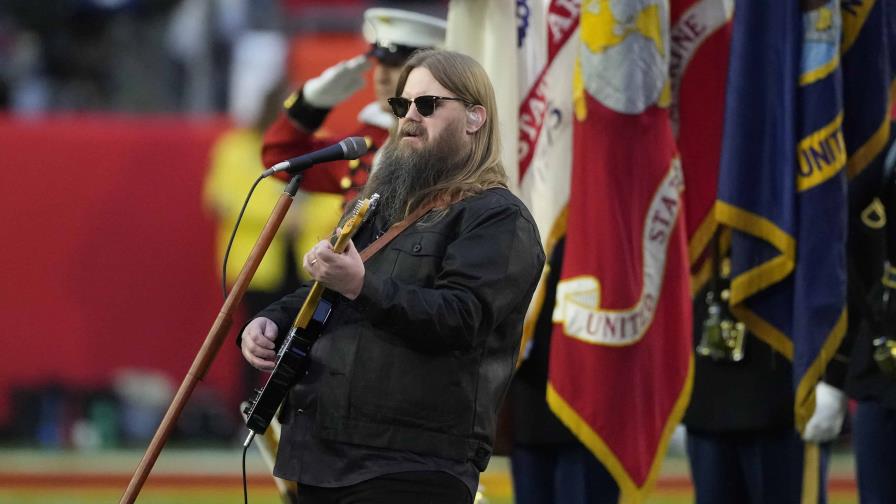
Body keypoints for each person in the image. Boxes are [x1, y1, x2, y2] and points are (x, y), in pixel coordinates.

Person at [239, 49, 545, 504]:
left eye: (428, 105)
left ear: (475, 118)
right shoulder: (379, 200)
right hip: (321, 457)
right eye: (402, 106)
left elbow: (461, 319)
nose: (410, 118)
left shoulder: (498, 217)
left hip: (411, 466)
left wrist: (361, 284)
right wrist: (273, 321)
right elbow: (325, 291)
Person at [261, 7, 446, 204]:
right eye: (379, 63)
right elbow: (279, 158)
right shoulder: (368, 141)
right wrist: (310, 105)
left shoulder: (446, 143)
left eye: (395, 65)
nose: (381, 77)